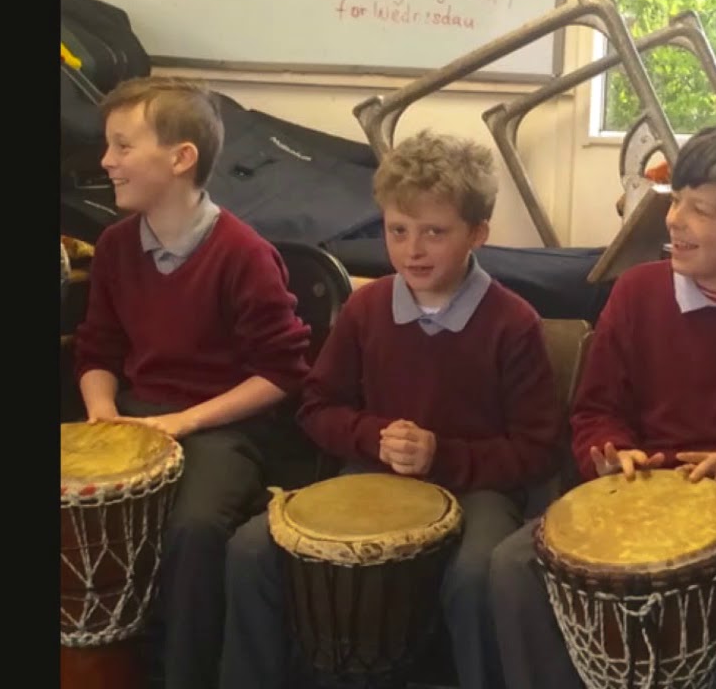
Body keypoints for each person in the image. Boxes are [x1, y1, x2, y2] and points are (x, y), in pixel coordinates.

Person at [490, 114, 716, 689]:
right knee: (512, 567)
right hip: (635, 489)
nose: (675, 219)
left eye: (700, 209)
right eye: (676, 199)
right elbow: (594, 412)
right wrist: (611, 451)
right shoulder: (636, 291)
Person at [219, 130, 561, 689]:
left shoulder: (513, 322)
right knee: (250, 549)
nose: (412, 250)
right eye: (397, 230)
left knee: (476, 574)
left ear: (478, 233)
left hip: (478, 489)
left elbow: (537, 449)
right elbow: (316, 408)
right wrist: (374, 436)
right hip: (370, 478)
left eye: (434, 232)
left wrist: (440, 455)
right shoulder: (367, 307)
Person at [71, 76, 313, 689]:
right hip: (134, 413)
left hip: (221, 427)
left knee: (194, 530)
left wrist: (183, 422)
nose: (107, 161)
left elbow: (282, 372)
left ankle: (182, 674)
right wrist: (102, 413)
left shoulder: (243, 254)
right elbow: (98, 348)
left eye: (123, 146)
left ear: (181, 158)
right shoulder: (116, 246)